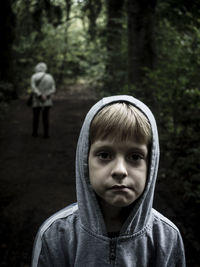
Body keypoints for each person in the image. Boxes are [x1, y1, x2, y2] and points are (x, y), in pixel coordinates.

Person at [31, 95, 186, 266]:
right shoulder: (55, 235)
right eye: (104, 155)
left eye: (135, 156)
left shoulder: (166, 237)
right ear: (85, 160)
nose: (120, 170)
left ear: (151, 164)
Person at [31, 62, 56, 138]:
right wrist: (46, 95)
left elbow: (33, 88)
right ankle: (46, 134)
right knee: (45, 117)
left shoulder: (34, 76)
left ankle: (35, 133)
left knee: (36, 117)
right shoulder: (50, 77)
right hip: (47, 100)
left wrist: (40, 95)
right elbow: (53, 89)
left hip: (36, 101)